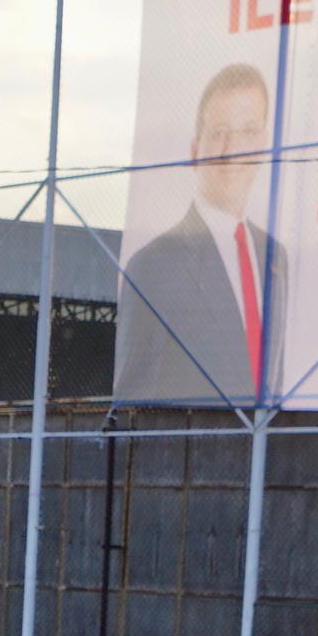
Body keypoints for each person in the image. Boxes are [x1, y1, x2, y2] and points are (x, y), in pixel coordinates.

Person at [117, 62, 290, 405]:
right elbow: (132, 395)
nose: (232, 149)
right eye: (220, 132)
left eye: (248, 131)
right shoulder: (152, 266)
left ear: (264, 145)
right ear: (195, 150)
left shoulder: (276, 258)